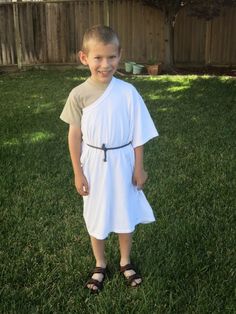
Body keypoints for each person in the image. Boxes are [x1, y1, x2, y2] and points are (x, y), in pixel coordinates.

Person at [60, 25, 158, 293]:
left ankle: (125, 260)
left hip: (123, 161)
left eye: (111, 57)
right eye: (98, 58)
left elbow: (138, 133)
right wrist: (78, 173)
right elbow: (74, 136)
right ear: (84, 58)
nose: (105, 65)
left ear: (120, 55)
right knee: (96, 213)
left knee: (125, 211)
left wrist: (139, 168)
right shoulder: (78, 95)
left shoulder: (128, 93)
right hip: (92, 164)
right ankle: (100, 262)